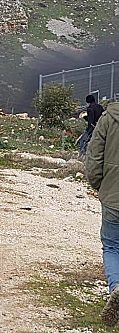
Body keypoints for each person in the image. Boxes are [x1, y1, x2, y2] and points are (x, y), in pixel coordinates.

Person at [85, 102, 119, 326]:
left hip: (113, 195)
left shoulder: (109, 118)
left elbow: (94, 156)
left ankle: (116, 287)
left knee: (112, 245)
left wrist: (99, 184)